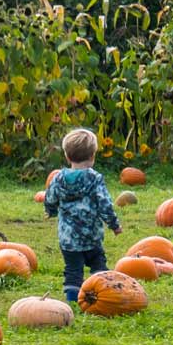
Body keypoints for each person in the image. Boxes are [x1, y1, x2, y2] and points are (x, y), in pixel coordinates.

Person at [43, 127, 121, 303]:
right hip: (91, 236)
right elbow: (105, 205)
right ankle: (102, 296)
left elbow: (50, 197)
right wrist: (114, 225)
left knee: (73, 270)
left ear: (67, 157)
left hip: (68, 239)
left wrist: (50, 211)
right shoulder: (94, 179)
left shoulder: (58, 178)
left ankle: (72, 300)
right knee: (98, 266)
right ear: (93, 156)